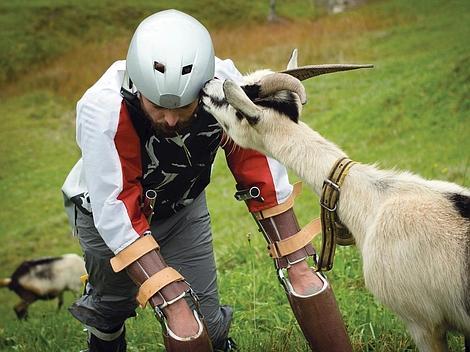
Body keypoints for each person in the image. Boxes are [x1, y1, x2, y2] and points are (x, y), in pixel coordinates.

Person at [62, 9, 351, 352]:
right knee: (114, 309)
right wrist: (168, 294)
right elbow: (116, 206)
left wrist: (295, 260)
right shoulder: (102, 108)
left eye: (183, 107)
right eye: (157, 106)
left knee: (203, 326)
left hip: (182, 210)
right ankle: (104, 337)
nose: (170, 119)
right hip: (104, 218)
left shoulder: (222, 85)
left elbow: (254, 158)